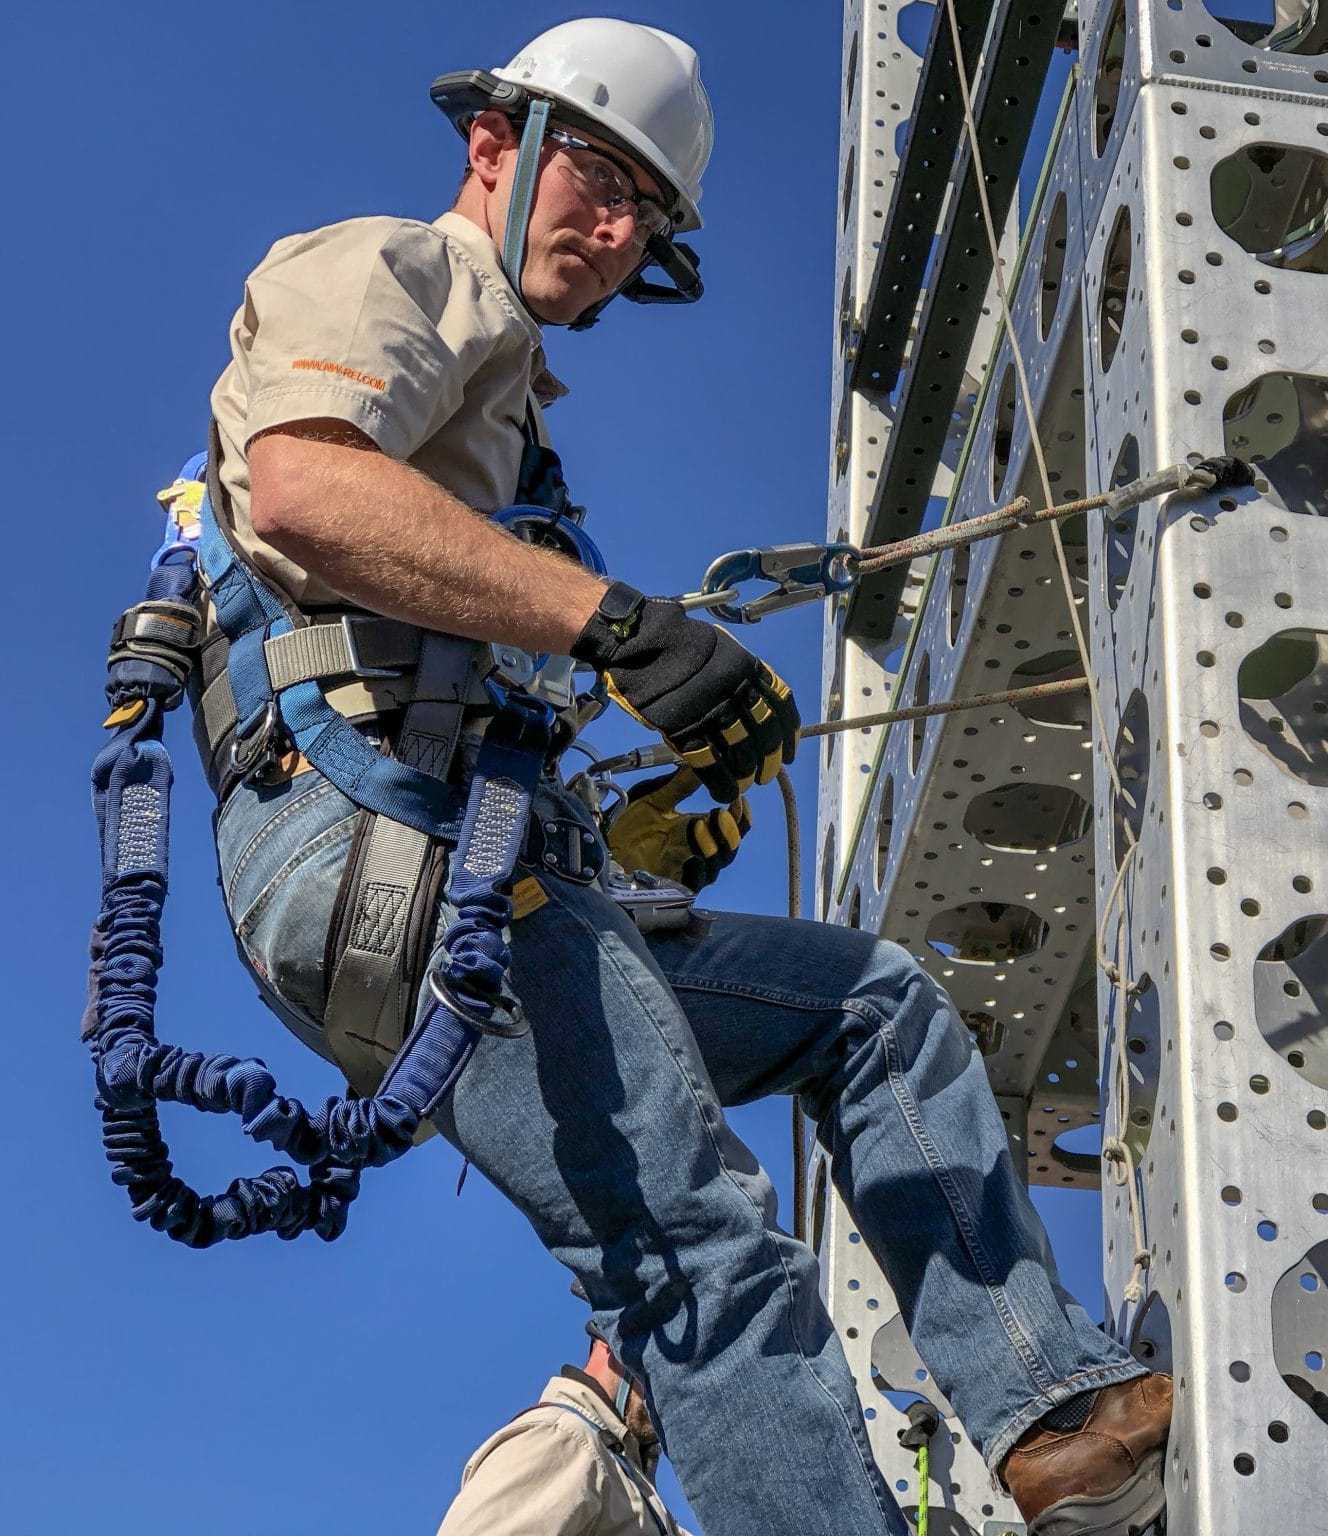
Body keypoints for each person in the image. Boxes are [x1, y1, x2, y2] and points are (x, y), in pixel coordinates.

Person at [201, 18, 1171, 1535]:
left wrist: (656, 791)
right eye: (597, 173)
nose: (613, 225)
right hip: (381, 845)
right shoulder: (397, 267)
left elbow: (456, 658)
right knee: (702, 1259)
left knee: (865, 1007)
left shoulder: (506, 423)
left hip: (461, 849)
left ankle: (1052, 1411)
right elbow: (308, 486)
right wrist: (619, 628)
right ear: (494, 145)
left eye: (646, 209)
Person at [437, 1335, 688, 1536]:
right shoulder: (563, 1437)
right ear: (612, 1341)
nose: (679, 1381)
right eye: (671, 1356)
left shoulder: (627, 1482)